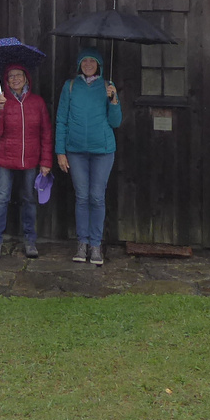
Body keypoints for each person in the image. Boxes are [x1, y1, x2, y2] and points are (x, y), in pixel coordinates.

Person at [55, 47, 121, 265]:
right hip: (75, 151)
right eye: (85, 61)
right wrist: (60, 152)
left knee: (96, 197)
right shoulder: (70, 86)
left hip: (102, 151)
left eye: (92, 61)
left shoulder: (107, 86)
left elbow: (116, 122)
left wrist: (113, 101)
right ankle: (82, 244)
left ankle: (96, 245)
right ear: (79, 64)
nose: (88, 64)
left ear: (99, 64)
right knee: (82, 197)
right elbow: (61, 119)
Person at [0, 63, 53, 259]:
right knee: (1, 199)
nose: (15, 79)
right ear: (6, 81)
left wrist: (46, 161)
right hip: (5, 159)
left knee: (29, 200)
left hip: (31, 160)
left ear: (26, 78)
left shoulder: (37, 102)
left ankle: (30, 240)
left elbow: (46, 133)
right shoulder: (0, 101)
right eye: (11, 76)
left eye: (19, 75)